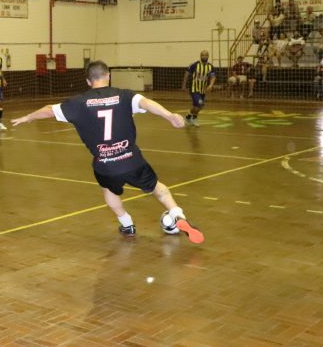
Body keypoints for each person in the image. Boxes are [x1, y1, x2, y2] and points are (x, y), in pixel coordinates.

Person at [11, 60, 204, 243]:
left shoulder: (78, 103)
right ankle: (177, 214)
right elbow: (146, 103)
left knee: (110, 192)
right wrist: (169, 115)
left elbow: (48, 110)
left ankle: (127, 224)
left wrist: (28, 117)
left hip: (105, 164)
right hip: (131, 159)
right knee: (158, 189)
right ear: (108, 76)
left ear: (88, 81)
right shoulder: (124, 95)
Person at [181, 50, 216, 126]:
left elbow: (213, 77)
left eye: (206, 55)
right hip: (194, 88)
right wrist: (184, 85)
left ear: (208, 56)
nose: (204, 56)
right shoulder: (195, 65)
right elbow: (187, 74)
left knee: (196, 106)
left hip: (203, 90)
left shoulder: (210, 66)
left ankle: (188, 116)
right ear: (200, 56)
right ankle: (194, 118)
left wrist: (211, 85)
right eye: (203, 55)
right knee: (200, 104)